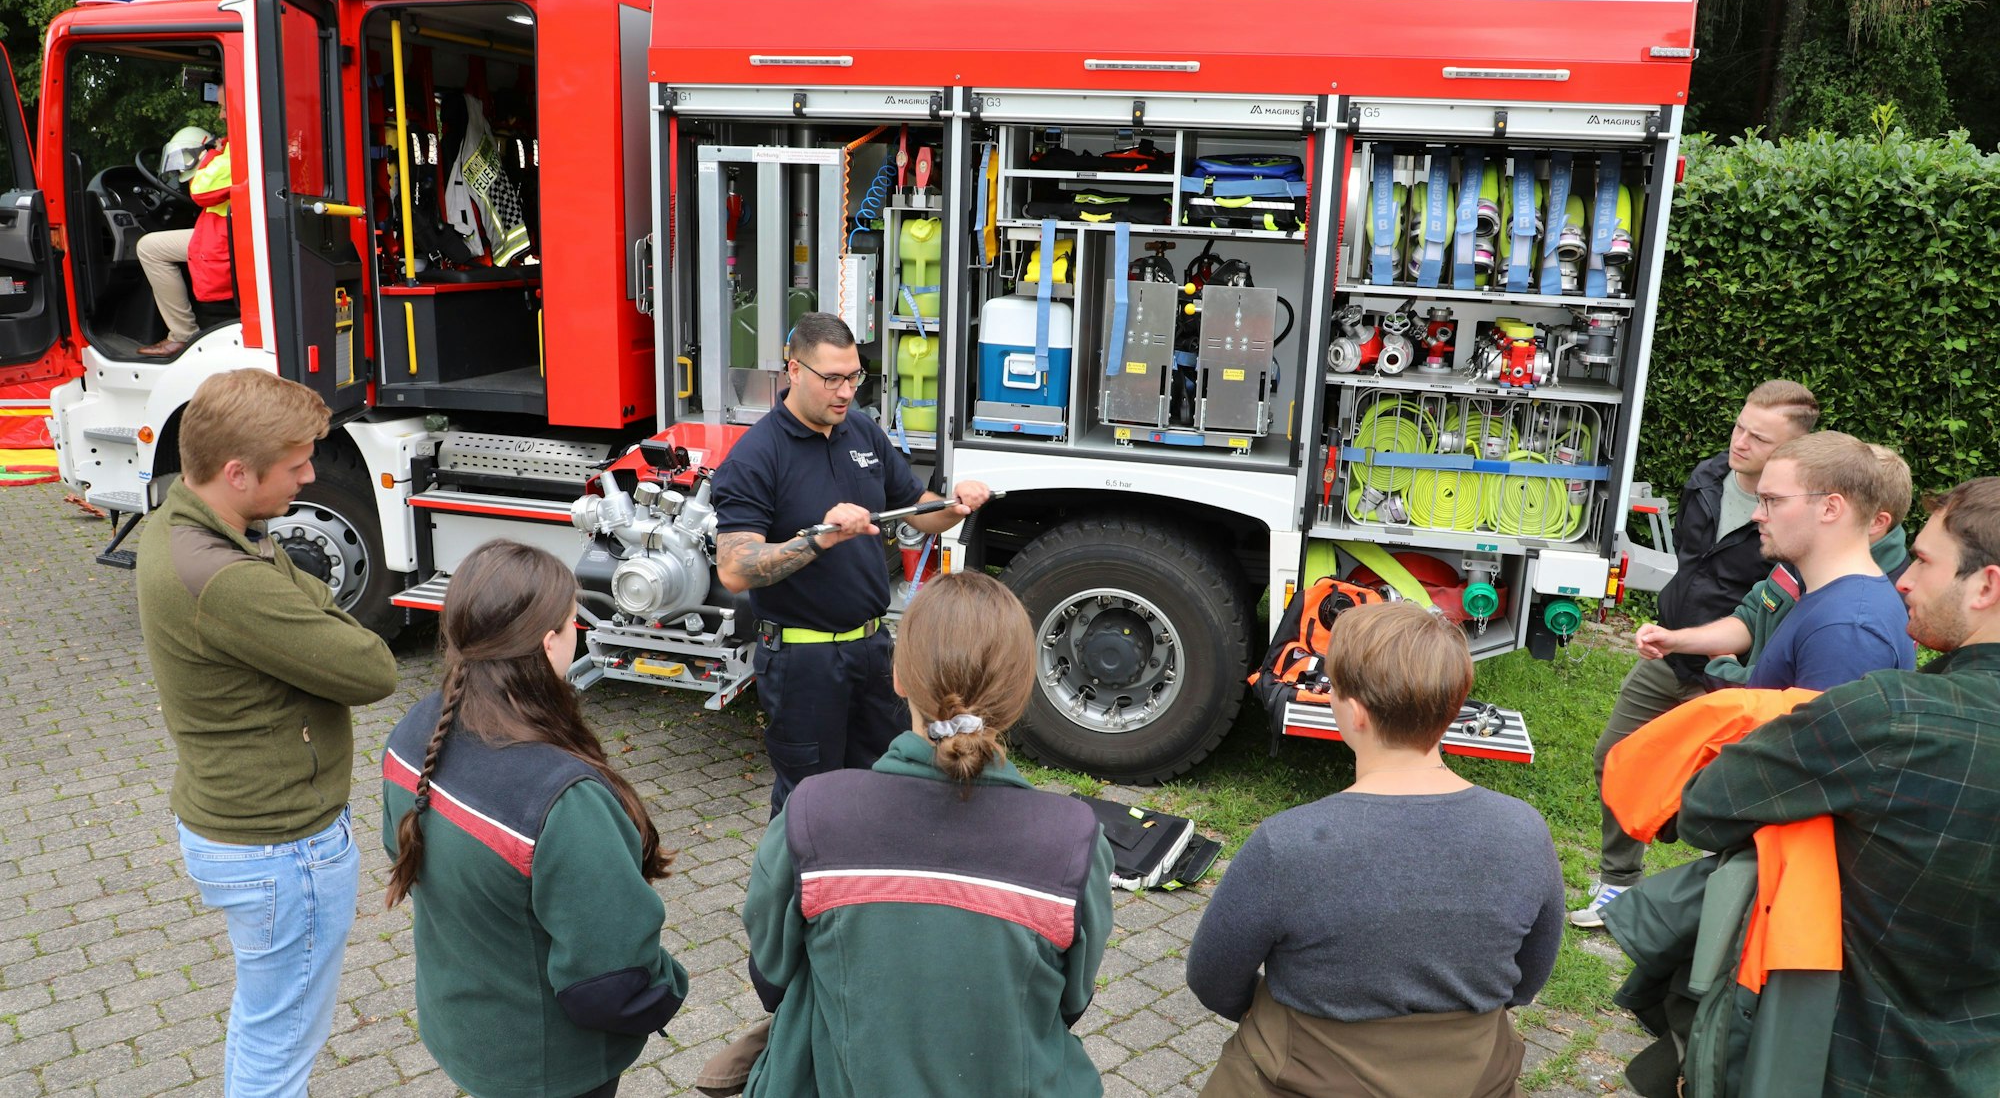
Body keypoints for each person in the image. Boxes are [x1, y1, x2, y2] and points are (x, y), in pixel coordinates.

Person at [1678, 477, 2000, 1096]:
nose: (1902, 580)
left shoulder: (1892, 716)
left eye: (1924, 562)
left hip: (1855, 1057)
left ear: (1986, 586)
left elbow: (1707, 805)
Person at [737, 570, 1113, 1098]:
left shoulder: (813, 813)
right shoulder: (1073, 840)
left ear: (897, 676)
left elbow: (772, 976)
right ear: (1022, 690)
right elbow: (1071, 1001)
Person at [134, 368, 398, 1098]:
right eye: (296, 465)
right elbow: (373, 666)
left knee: (266, 1021)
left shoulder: (181, 521)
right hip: (282, 846)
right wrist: (305, 599)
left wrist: (297, 593)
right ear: (236, 471)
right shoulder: (229, 579)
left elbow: (297, 591)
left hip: (238, 830)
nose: (311, 476)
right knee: (279, 1045)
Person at [1186, 603, 1565, 1098]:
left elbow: (1212, 979)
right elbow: (1526, 981)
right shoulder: (1525, 832)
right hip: (1471, 1078)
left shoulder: (1287, 844)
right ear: (1455, 706)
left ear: (1354, 712)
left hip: (1302, 1077)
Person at [381, 540, 687, 1098]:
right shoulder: (563, 801)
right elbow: (612, 980)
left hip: (464, 1030)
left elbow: (403, 848)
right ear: (550, 643)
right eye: (574, 623)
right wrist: (670, 986)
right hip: (547, 1066)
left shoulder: (415, 732)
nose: (579, 634)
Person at [710, 311, 991, 814]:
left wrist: (955, 506)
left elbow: (918, 510)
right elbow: (735, 568)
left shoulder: (861, 431)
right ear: (793, 371)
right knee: (813, 805)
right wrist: (819, 539)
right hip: (804, 662)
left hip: (872, 650)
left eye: (854, 376)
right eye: (832, 379)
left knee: (886, 788)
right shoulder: (756, 457)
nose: (845, 392)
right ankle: (799, 891)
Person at [1572, 378, 1818, 927]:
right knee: (1618, 759)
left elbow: (1775, 607)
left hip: (1736, 675)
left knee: (1727, 791)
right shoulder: (1707, 477)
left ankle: (1720, 899)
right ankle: (1619, 881)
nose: (1741, 443)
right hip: (1669, 652)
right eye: (1740, 428)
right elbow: (1691, 564)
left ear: (1793, 451)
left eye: (1760, 438)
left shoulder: (1800, 514)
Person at [1634, 431, 1915, 691]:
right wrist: (1678, 641)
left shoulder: (1849, 630)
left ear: (1831, 508)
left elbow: (1803, 739)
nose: (1757, 514)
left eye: (1773, 500)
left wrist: (1724, 669)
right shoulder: (1824, 589)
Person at [137, 123, 233, 357]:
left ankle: (183, 335)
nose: (221, 114)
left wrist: (213, 153)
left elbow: (201, 190)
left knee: (149, 248)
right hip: (223, 231)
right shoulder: (231, 146)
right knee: (153, 247)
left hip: (225, 237)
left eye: (223, 106)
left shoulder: (232, 149)